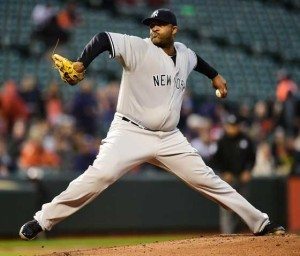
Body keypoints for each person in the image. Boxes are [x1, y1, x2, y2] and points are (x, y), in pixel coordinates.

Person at [19, 9, 284, 240]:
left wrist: (216, 77)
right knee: (98, 176)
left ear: (174, 29)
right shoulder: (139, 47)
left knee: (209, 181)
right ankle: (42, 220)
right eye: (150, 24)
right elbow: (102, 38)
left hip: (170, 138)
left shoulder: (184, 54)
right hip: (130, 131)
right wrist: (82, 62)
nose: (154, 27)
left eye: (160, 24)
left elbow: (199, 62)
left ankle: (260, 223)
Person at [212, 114, 256, 234]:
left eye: (235, 126)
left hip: (242, 179)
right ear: (226, 126)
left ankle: (244, 235)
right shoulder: (222, 141)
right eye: (230, 126)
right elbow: (215, 160)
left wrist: (248, 170)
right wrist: (224, 172)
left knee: (244, 207)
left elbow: (252, 158)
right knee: (227, 208)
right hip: (228, 180)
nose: (233, 128)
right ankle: (227, 235)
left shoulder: (246, 139)